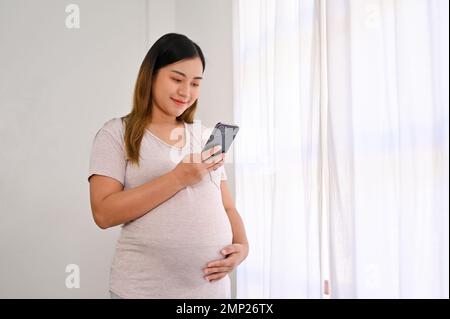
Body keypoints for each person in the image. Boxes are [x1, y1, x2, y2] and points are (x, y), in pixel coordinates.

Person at [87, 33, 249, 299]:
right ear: (151, 75)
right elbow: (103, 213)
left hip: (211, 293)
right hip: (142, 291)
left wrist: (243, 247)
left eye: (195, 83)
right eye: (176, 79)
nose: (186, 92)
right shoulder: (116, 134)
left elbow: (228, 206)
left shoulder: (205, 136)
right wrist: (178, 178)